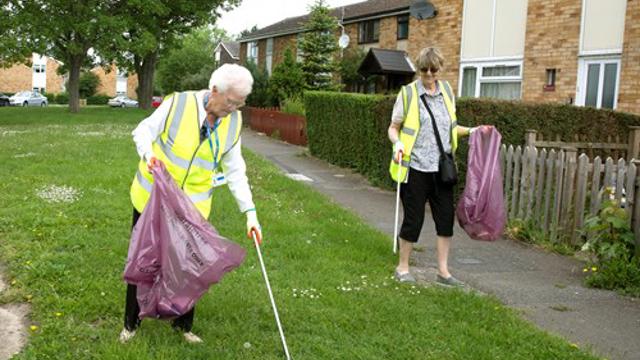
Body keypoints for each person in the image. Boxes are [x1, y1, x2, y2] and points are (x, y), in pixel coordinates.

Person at [119, 64, 262, 343]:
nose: (234, 108)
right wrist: (149, 155)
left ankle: (183, 326)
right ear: (214, 91)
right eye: (231, 101)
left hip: (193, 208)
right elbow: (142, 131)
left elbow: (235, 169)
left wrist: (250, 212)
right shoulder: (178, 104)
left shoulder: (232, 122)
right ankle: (130, 324)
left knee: (190, 265)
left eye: (240, 103)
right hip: (152, 199)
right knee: (144, 261)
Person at [388, 47, 490, 286]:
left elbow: (449, 128)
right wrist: (398, 143)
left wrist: (474, 130)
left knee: (445, 219)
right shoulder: (409, 93)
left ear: (440, 69)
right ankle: (403, 267)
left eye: (434, 69)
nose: (429, 74)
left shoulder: (446, 92)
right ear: (419, 69)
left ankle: (443, 272)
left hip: (442, 169)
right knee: (413, 219)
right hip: (415, 167)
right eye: (424, 69)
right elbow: (394, 127)